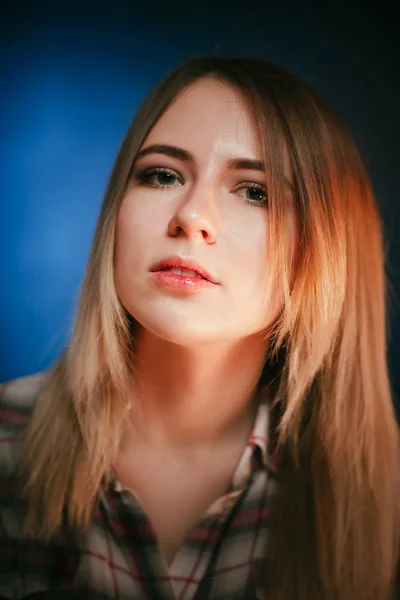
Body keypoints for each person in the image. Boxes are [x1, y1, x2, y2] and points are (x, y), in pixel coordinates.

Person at [0, 56, 399, 600]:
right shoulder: (7, 441)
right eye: (162, 175)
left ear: (327, 250)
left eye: (255, 191)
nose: (192, 215)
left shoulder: (386, 498)